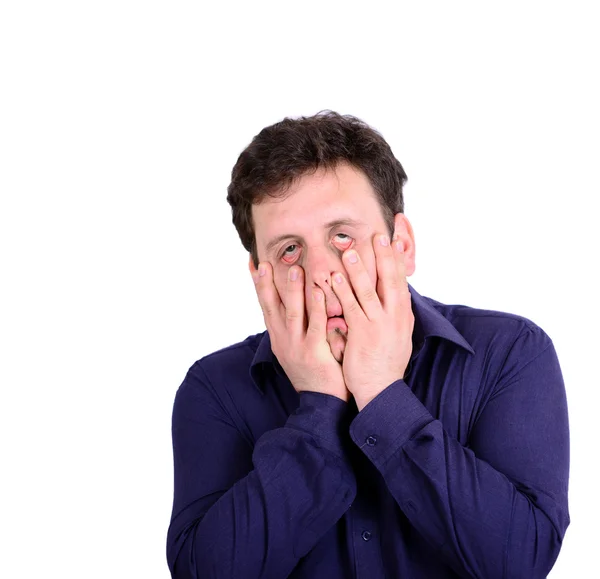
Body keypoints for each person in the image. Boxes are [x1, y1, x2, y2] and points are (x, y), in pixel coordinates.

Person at [166, 111, 570, 578]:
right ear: (261, 276)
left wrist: (381, 392)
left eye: (342, 236)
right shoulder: (216, 388)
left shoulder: (509, 354)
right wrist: (319, 406)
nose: (320, 274)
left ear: (402, 246)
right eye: (289, 250)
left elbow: (519, 563)